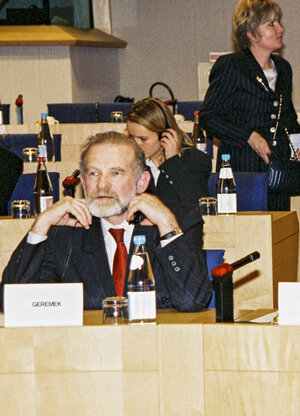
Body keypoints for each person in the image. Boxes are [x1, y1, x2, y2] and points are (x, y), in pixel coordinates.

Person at [0, 131, 211, 311]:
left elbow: (192, 301)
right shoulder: (66, 229)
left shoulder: (176, 221)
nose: (102, 184)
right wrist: (40, 227)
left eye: (115, 173)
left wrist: (168, 226)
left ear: (142, 181)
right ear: (82, 182)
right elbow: (12, 303)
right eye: (94, 173)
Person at [200, 0, 300, 211]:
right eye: (271, 24)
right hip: (242, 168)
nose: (280, 29)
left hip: (278, 170)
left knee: (277, 234)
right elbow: (208, 117)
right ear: (251, 34)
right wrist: (249, 136)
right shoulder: (232, 66)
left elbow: (287, 118)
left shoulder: (284, 68)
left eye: (278, 22)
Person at [126, 97, 211, 209]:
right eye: (131, 137)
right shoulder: (128, 162)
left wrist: (173, 163)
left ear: (165, 135)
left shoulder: (196, 160)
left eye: (143, 139)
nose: (136, 145)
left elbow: (197, 206)